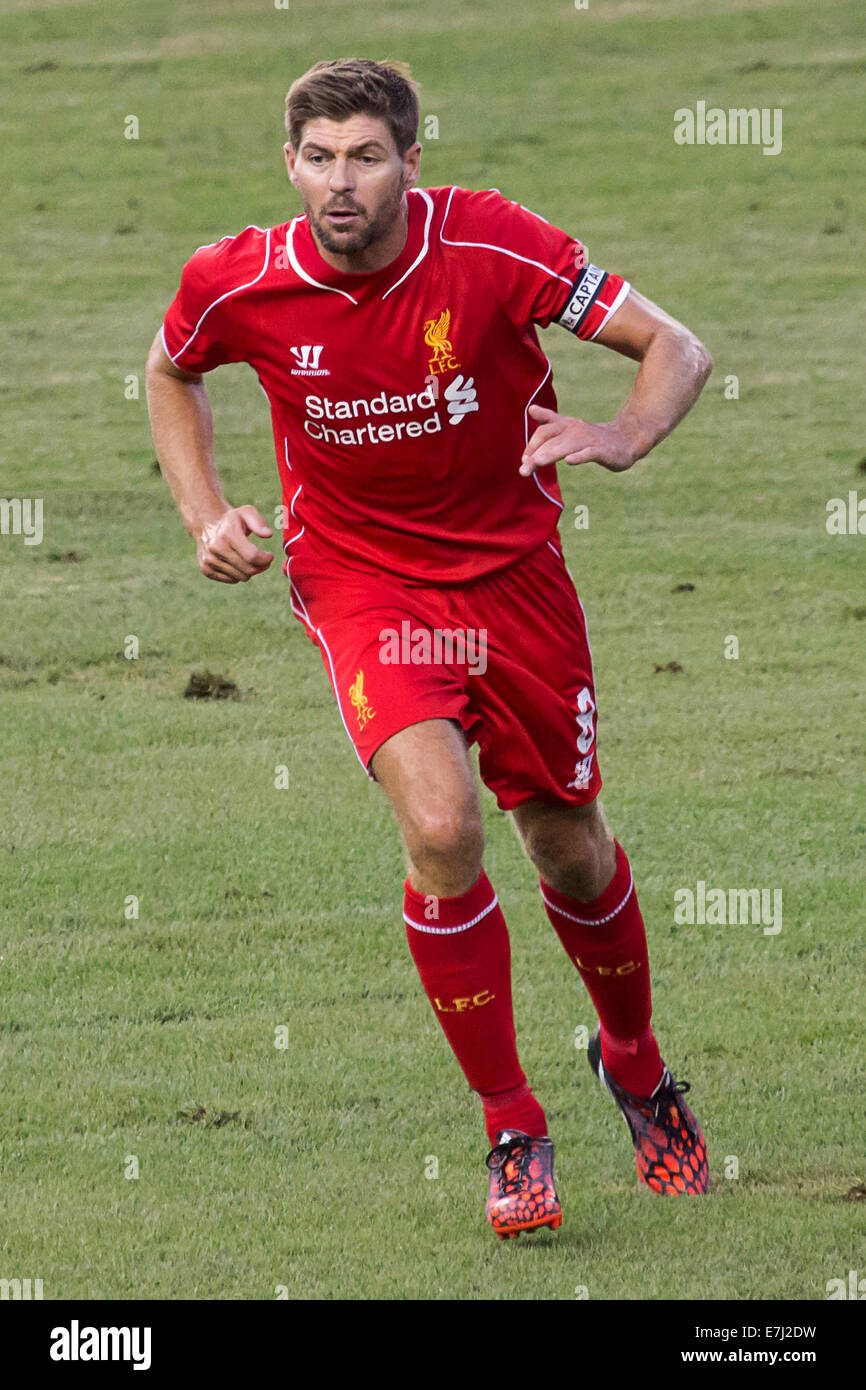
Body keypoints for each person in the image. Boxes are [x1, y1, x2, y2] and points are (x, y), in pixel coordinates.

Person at [146, 58, 712, 1240]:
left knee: (566, 846)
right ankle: (511, 1125)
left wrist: (618, 432)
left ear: (412, 160)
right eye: (317, 157)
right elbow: (170, 370)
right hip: (362, 584)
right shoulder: (237, 279)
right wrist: (206, 513)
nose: (338, 182)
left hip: (513, 579)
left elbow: (676, 348)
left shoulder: (495, 245)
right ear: (288, 163)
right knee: (446, 827)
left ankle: (635, 1063)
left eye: (365, 156)